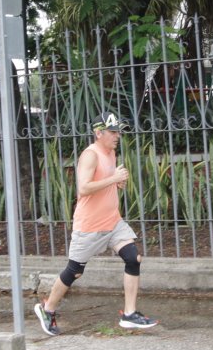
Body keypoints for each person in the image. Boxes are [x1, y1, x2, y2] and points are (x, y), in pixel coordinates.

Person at [34, 111, 158, 335]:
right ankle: (48, 308)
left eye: (118, 131)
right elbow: (83, 188)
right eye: (112, 131)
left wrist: (116, 185)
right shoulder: (90, 155)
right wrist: (113, 179)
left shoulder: (110, 153)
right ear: (98, 133)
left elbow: (104, 183)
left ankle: (130, 314)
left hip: (112, 221)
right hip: (89, 226)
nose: (117, 135)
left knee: (133, 257)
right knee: (74, 272)